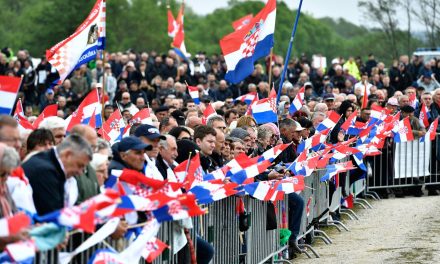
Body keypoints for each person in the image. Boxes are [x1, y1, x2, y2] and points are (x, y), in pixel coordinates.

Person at [23, 135, 92, 215]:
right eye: (79, 165)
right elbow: (54, 215)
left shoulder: (49, 162)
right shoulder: (45, 172)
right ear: (67, 155)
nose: (80, 172)